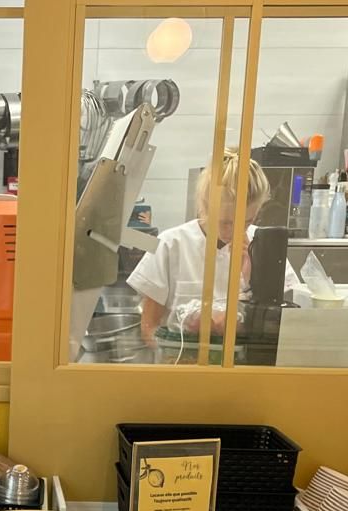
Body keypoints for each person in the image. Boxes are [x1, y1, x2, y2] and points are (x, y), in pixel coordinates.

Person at [128, 151, 301, 362]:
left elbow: (289, 328)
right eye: (225, 222)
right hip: (184, 370)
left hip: (247, 370)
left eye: (246, 221)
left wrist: (253, 280)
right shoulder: (171, 245)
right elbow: (149, 327)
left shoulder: (266, 247)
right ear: (204, 207)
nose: (234, 231)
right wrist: (181, 349)